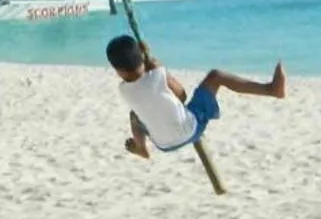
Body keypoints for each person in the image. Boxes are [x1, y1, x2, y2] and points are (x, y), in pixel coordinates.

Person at [106, 34, 284, 159]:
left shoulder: (124, 90)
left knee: (134, 115)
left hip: (163, 144)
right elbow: (182, 96)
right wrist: (158, 67)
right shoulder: (158, 74)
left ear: (119, 71)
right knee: (215, 76)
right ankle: (271, 90)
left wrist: (150, 66)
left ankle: (142, 148)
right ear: (141, 56)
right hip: (191, 128)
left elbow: (143, 84)